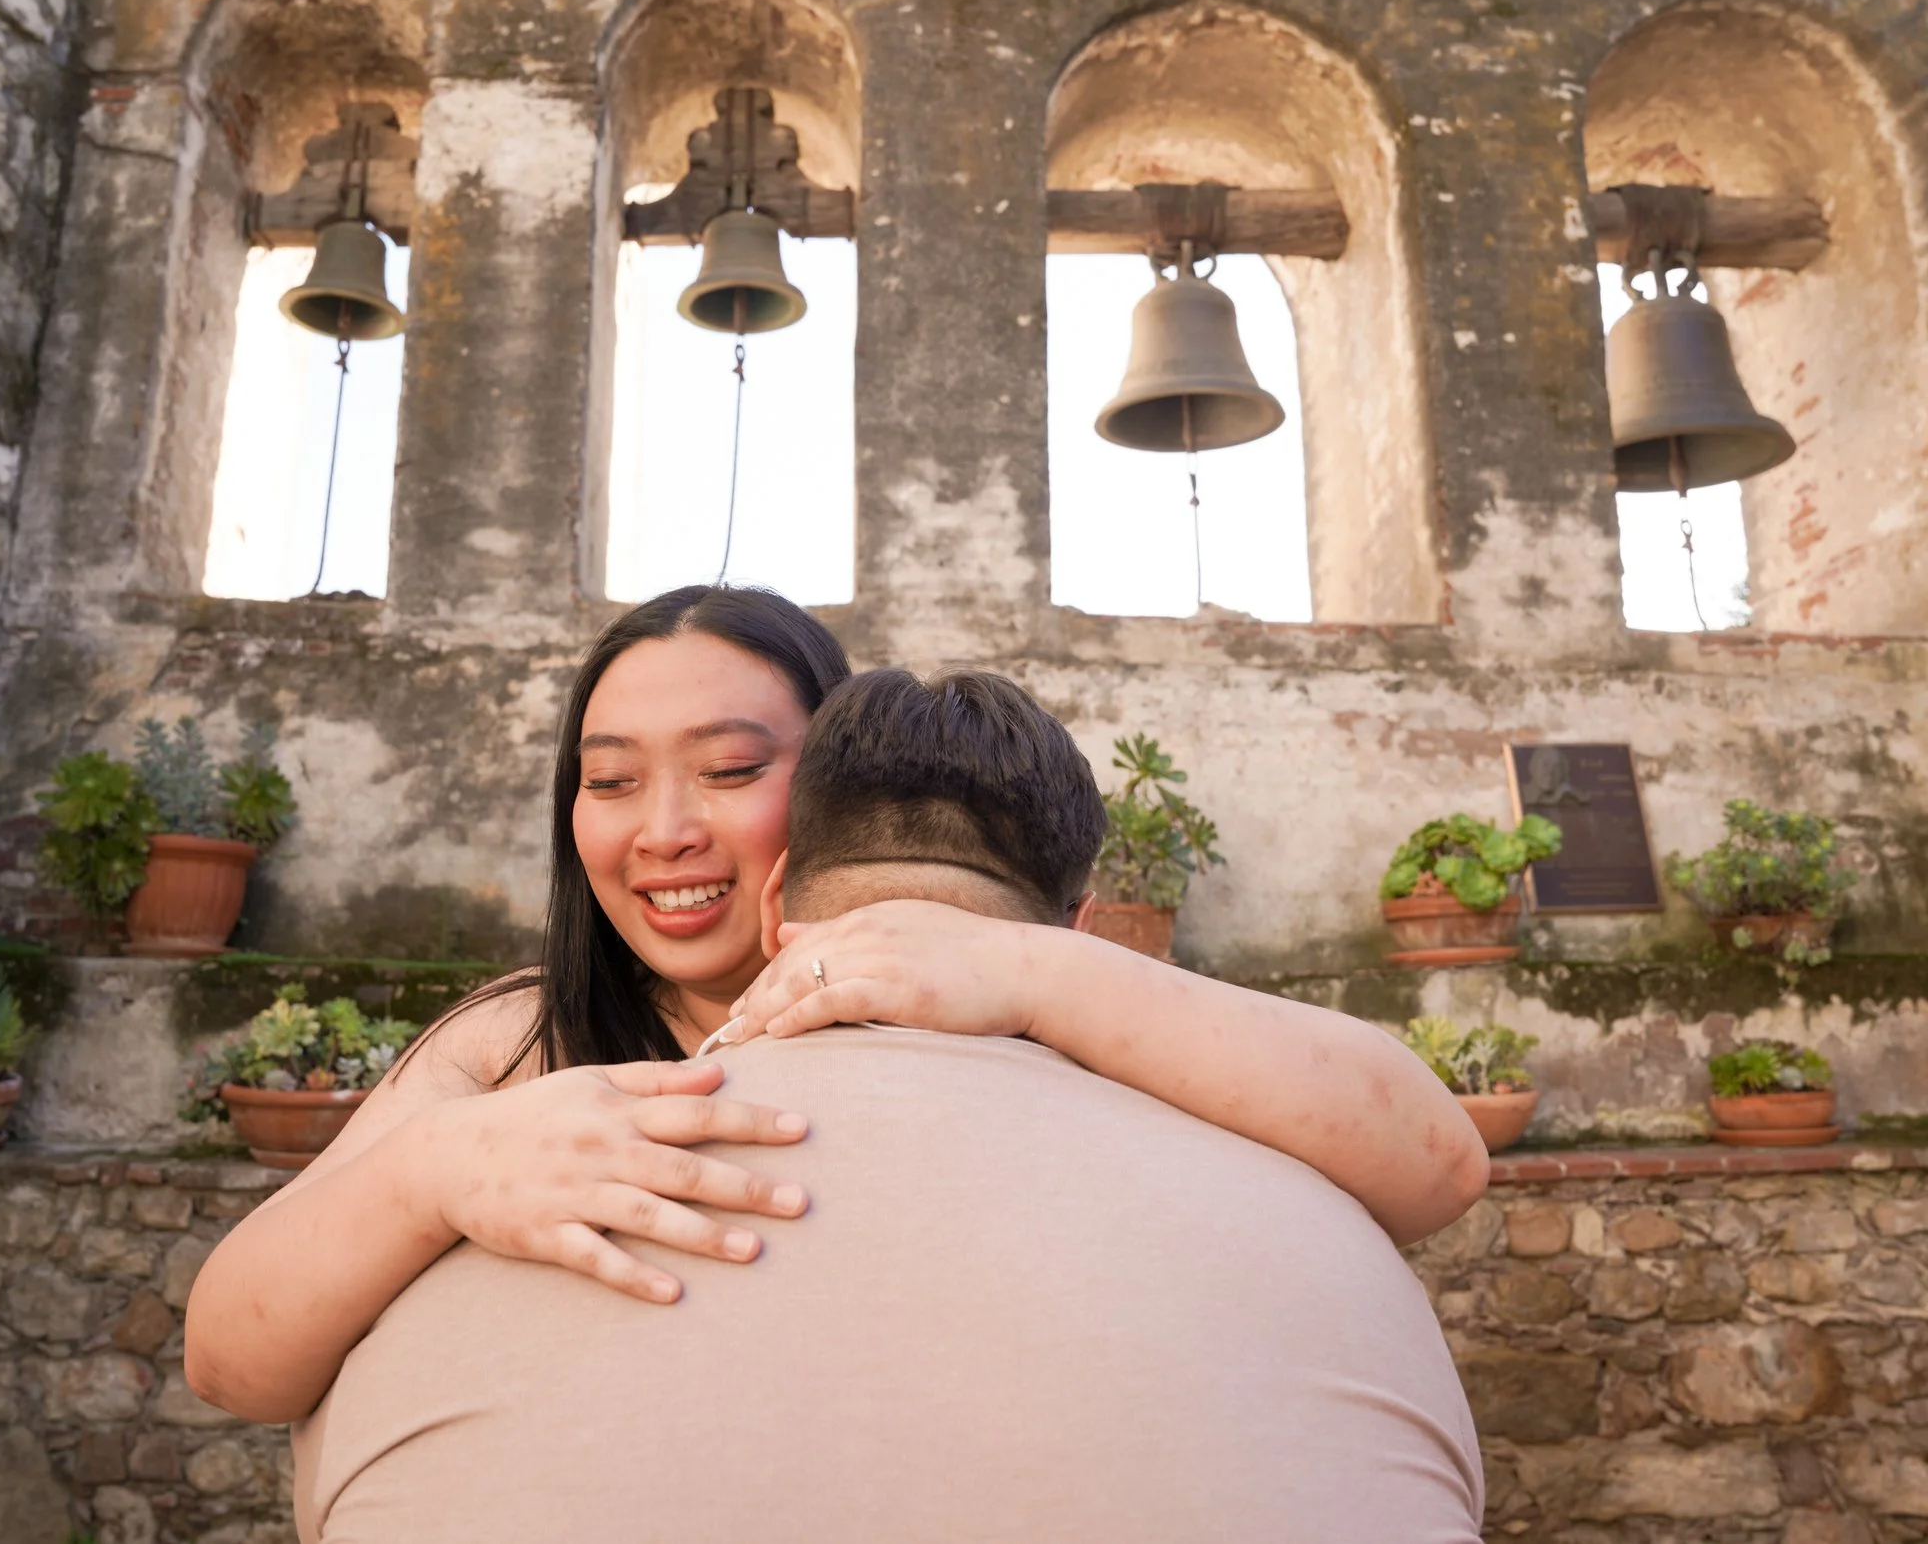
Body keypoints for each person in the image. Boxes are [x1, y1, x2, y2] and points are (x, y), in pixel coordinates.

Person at [185, 586, 1488, 1425]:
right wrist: (439, 1168)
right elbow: (232, 1357)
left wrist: (1045, 971)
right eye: (611, 780)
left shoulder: (1050, 1002)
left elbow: (1432, 1158)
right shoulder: (515, 1041)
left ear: (835, 796)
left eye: (733, 768)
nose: (665, 832)